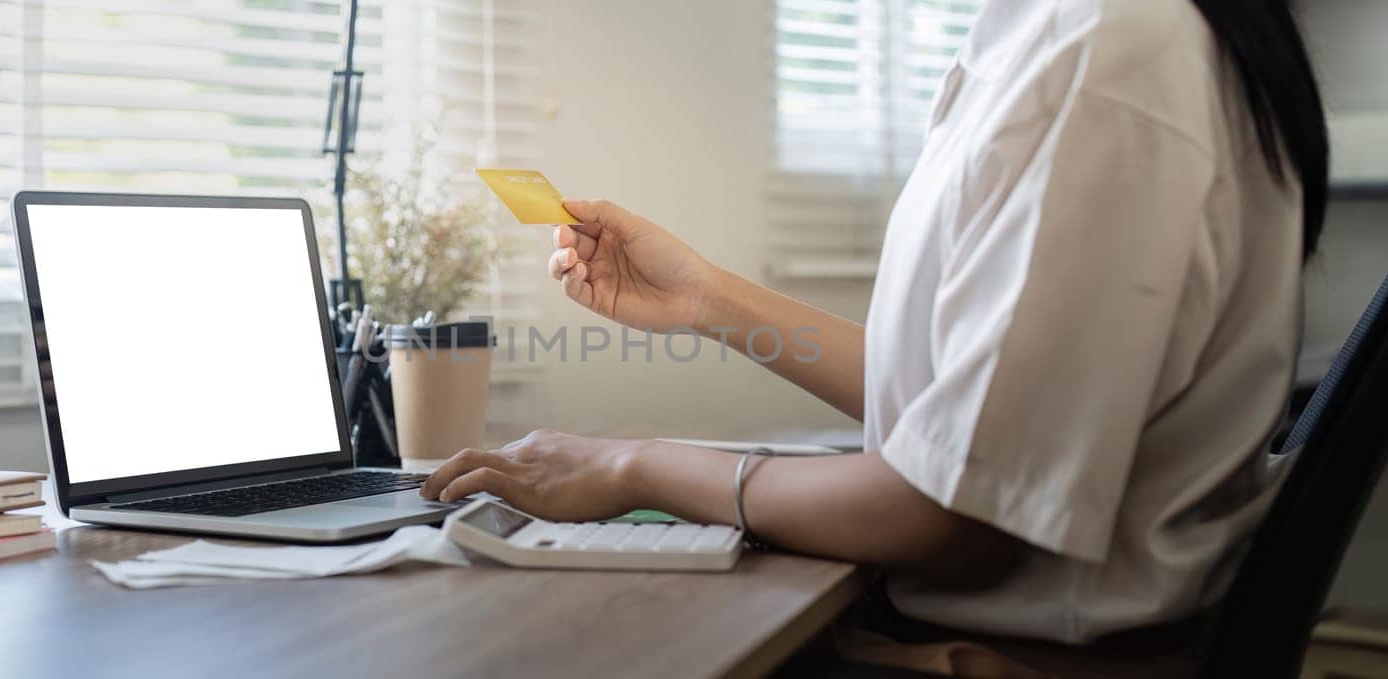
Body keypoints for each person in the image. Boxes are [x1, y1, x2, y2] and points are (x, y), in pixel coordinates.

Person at [421, 0, 1329, 666]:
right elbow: (953, 414)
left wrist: (636, 467)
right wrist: (707, 300)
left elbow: (957, 509)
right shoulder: (1056, 40)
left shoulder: (1103, 52)